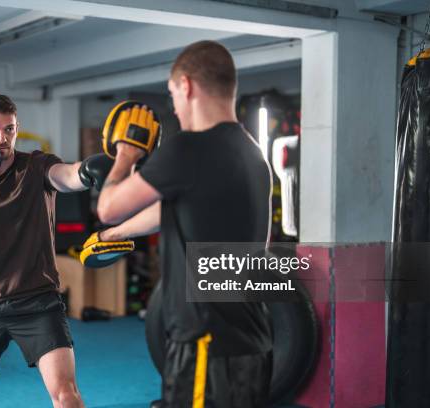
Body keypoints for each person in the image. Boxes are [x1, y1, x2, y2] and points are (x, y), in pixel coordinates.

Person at [97, 41, 274, 407]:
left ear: (187, 86)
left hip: (204, 345)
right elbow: (176, 209)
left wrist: (124, 156)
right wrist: (116, 235)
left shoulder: (186, 149)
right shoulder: (253, 154)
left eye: (172, 93)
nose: (174, 108)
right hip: (252, 339)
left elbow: (108, 206)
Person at [0, 94, 111, 408]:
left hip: (38, 301)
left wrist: (88, 171)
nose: (2, 138)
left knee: (66, 395)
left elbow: (67, 176)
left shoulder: (36, 165)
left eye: (10, 129)